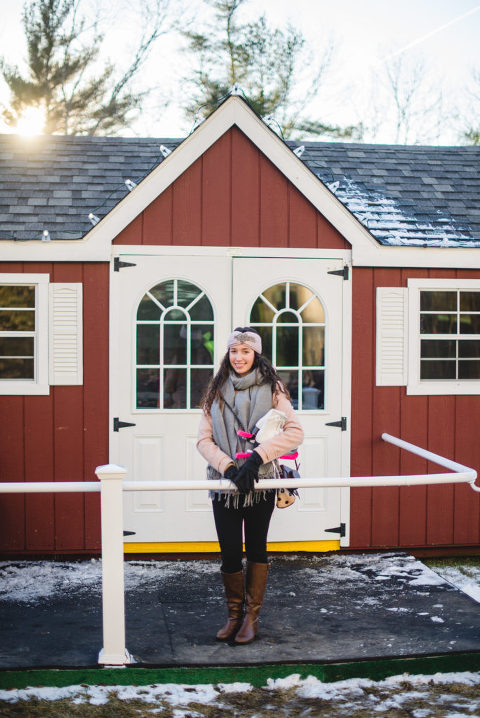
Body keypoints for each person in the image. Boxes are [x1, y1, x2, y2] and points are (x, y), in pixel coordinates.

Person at [197, 327, 303, 644]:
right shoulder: (216, 389)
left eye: (245, 352)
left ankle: (251, 618)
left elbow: (295, 432)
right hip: (225, 486)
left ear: (256, 355)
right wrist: (228, 466)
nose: (239, 357)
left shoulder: (273, 389)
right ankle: (234, 616)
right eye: (234, 351)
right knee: (230, 553)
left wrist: (256, 458)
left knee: (256, 548)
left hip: (261, 483)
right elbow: (203, 440)